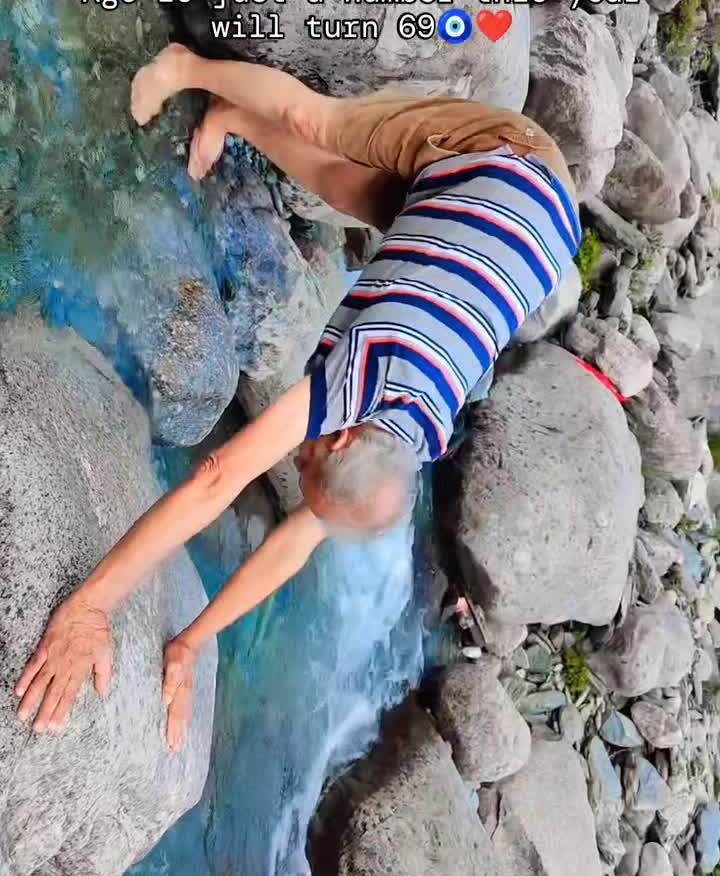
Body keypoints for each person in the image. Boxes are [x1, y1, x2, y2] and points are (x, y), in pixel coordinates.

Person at [15, 44, 581, 750]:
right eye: (304, 462)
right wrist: (90, 607)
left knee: (358, 194)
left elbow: (297, 542)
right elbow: (217, 477)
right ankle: (183, 66)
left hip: (520, 236)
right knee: (320, 124)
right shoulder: (363, 377)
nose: (296, 458)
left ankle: (232, 117)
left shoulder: (412, 440)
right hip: (504, 160)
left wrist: (192, 640)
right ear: (341, 435)